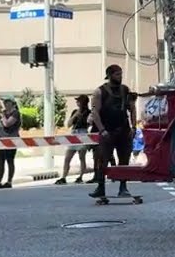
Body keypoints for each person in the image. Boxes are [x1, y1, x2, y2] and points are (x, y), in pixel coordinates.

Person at [89, 64, 137, 199]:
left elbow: (132, 109)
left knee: (124, 161)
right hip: (107, 131)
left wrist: (134, 127)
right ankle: (100, 187)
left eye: (121, 74)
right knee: (102, 160)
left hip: (124, 130)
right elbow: (95, 112)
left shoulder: (125, 90)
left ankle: (123, 187)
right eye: (117, 74)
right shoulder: (99, 92)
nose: (120, 77)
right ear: (110, 75)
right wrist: (102, 129)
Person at [55, 94, 91, 185]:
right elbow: (69, 124)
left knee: (81, 157)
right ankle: (63, 176)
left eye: (79, 101)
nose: (77, 102)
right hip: (74, 133)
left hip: (83, 133)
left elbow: (89, 124)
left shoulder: (88, 112)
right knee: (67, 157)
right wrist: (75, 115)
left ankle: (81, 176)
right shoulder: (75, 111)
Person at [0, 96, 21, 189]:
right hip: (1, 140)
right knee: (0, 160)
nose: (4, 103)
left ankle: (9, 181)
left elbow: (7, 124)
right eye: (4, 102)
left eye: (6, 102)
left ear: (12, 103)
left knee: (10, 160)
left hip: (11, 140)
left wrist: (3, 116)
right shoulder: (3, 112)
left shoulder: (15, 113)